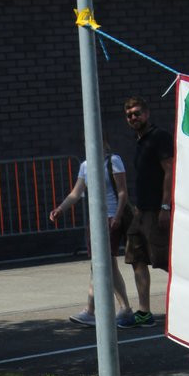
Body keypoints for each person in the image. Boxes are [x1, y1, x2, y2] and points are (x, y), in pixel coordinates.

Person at [50, 138, 134, 327]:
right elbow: (75, 193)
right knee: (102, 265)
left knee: (103, 265)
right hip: (95, 220)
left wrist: (118, 216)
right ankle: (104, 310)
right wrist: (60, 209)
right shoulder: (86, 166)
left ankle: (111, 309)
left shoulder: (113, 161)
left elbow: (122, 192)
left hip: (110, 217)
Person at [121, 95, 174, 327]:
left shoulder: (159, 137)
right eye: (129, 115)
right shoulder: (139, 141)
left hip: (156, 210)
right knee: (136, 258)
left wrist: (165, 206)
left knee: (165, 260)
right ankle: (144, 312)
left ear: (147, 113)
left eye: (137, 113)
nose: (133, 117)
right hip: (140, 211)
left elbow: (170, 170)